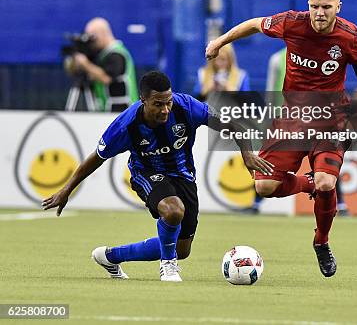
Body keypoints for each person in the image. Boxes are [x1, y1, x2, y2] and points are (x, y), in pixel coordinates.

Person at [205, 0, 357, 278]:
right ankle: (311, 184)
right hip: (291, 120)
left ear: (338, 7)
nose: (320, 13)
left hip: (331, 120)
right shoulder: (291, 23)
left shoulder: (350, 36)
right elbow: (254, 24)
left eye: (326, 7)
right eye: (314, 6)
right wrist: (221, 41)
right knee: (264, 187)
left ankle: (321, 241)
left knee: (328, 183)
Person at [42, 70, 273, 282]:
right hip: (146, 173)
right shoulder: (126, 125)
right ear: (143, 101)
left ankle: (111, 256)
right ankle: (167, 265)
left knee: (182, 249)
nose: (165, 109)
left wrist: (247, 154)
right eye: (158, 104)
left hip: (183, 176)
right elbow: (96, 158)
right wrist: (66, 190)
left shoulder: (186, 107)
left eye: (168, 102)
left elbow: (234, 125)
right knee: (173, 211)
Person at [67, 17, 138, 112]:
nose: (91, 43)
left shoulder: (117, 54)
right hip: (108, 110)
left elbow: (107, 78)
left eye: (92, 37)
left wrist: (85, 63)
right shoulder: (102, 55)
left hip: (123, 112)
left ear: (102, 34)